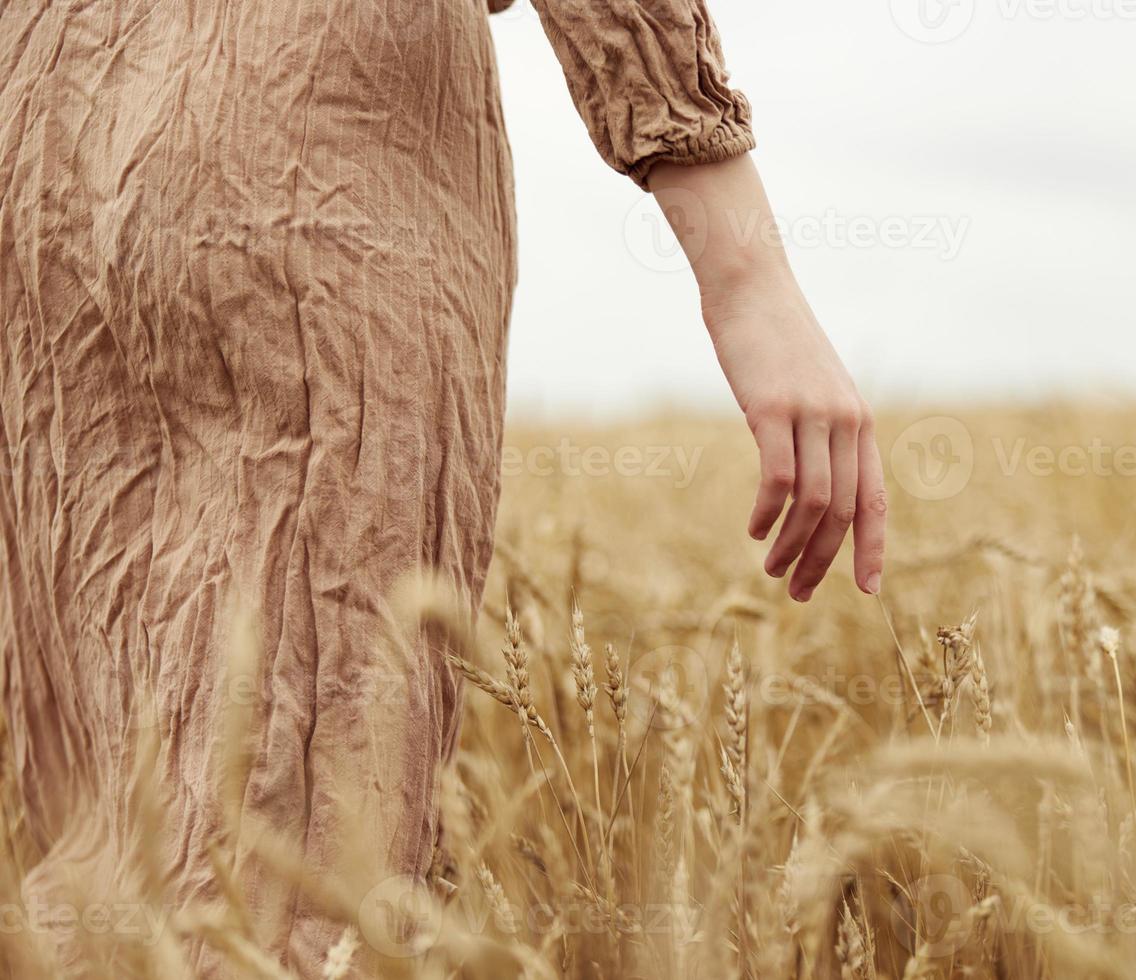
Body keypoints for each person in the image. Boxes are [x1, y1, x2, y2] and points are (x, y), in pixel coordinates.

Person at [0, 0, 885, 973]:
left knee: (104, 827)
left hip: (48, 150)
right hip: (308, 145)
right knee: (302, 859)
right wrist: (745, 267)